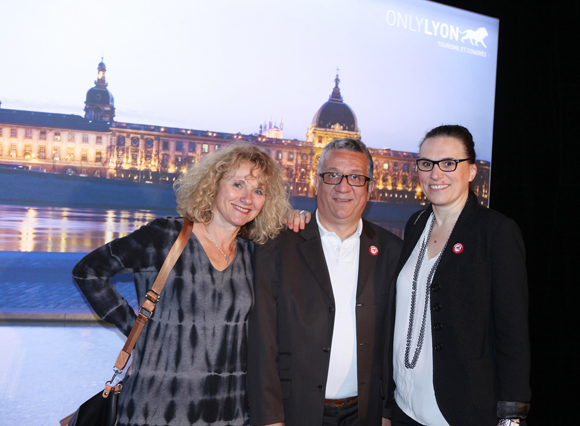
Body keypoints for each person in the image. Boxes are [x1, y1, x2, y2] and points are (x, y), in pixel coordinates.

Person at [72, 143, 293, 426]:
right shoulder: (166, 236)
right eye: (238, 184)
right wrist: (135, 331)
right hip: (156, 408)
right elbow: (88, 271)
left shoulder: (254, 254)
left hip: (230, 412)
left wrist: (301, 219)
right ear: (213, 184)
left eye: (259, 191)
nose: (247, 198)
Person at [248, 138, 403, 426]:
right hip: (295, 412)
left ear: (369, 188)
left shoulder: (392, 251)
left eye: (355, 177)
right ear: (316, 183)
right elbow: (262, 341)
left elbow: (393, 341)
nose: (343, 187)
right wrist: (269, 418)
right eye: (332, 175)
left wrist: (386, 412)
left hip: (365, 415)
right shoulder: (277, 245)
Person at [386, 125, 531, 426]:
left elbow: (514, 335)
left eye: (448, 163)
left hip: (461, 410)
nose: (436, 174)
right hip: (405, 407)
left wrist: (512, 418)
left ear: (472, 171)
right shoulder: (415, 223)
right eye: (426, 164)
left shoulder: (496, 232)